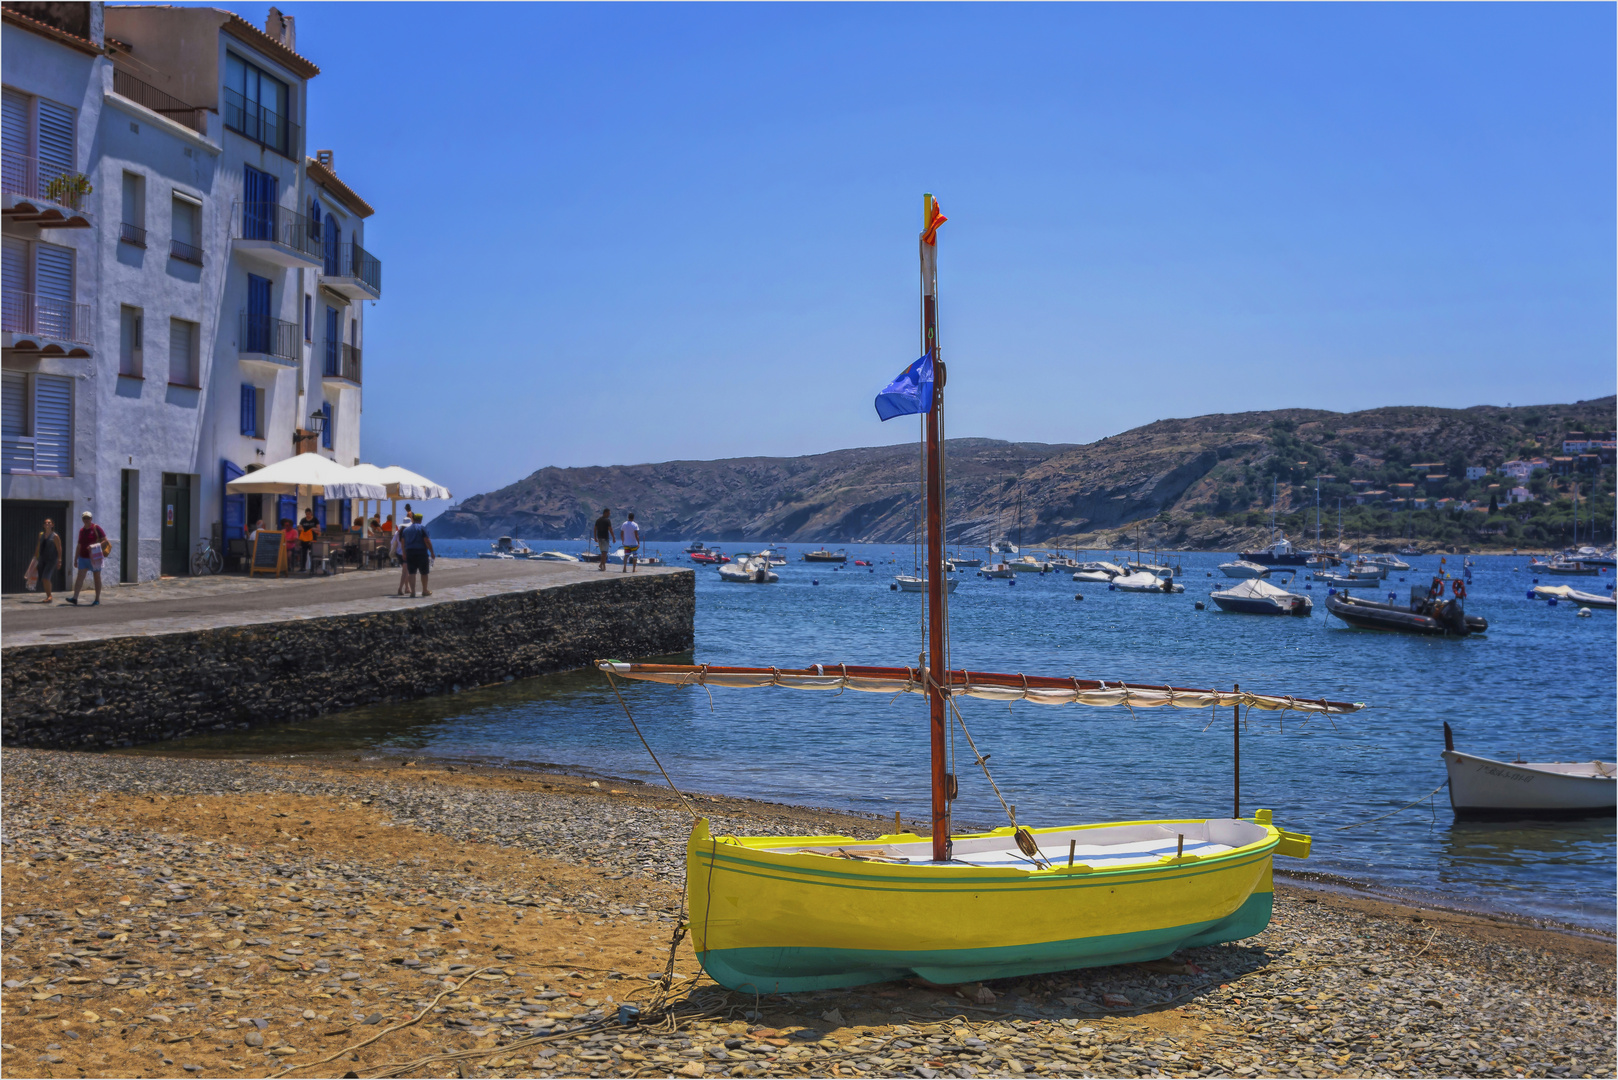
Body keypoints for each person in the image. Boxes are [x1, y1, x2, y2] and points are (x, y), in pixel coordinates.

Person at [66, 510, 107, 606]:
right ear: (82, 519)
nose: (86, 520)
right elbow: (79, 545)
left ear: (91, 519)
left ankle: (97, 599)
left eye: (88, 518)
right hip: (83, 557)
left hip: (95, 557)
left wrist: (94, 546)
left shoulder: (96, 528)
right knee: (80, 577)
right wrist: (75, 559)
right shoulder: (82, 530)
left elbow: (105, 540)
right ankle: (75, 598)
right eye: (84, 518)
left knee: (96, 577)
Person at [400, 512, 435, 597]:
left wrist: (404, 553)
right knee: (424, 572)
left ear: (413, 519)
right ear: (421, 520)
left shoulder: (406, 530)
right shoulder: (422, 528)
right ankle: (424, 590)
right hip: (421, 552)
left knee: (412, 572)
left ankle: (413, 592)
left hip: (410, 552)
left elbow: (402, 542)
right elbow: (427, 540)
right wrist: (432, 552)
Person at [32, 518, 61, 603]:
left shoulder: (55, 536)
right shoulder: (41, 535)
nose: (47, 524)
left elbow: (59, 548)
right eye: (45, 523)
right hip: (42, 559)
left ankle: (49, 596)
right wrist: (35, 558)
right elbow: (38, 546)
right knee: (43, 578)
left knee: (46, 577)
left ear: (52, 525)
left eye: (49, 522)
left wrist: (59, 560)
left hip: (51, 560)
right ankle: (48, 595)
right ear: (43, 525)